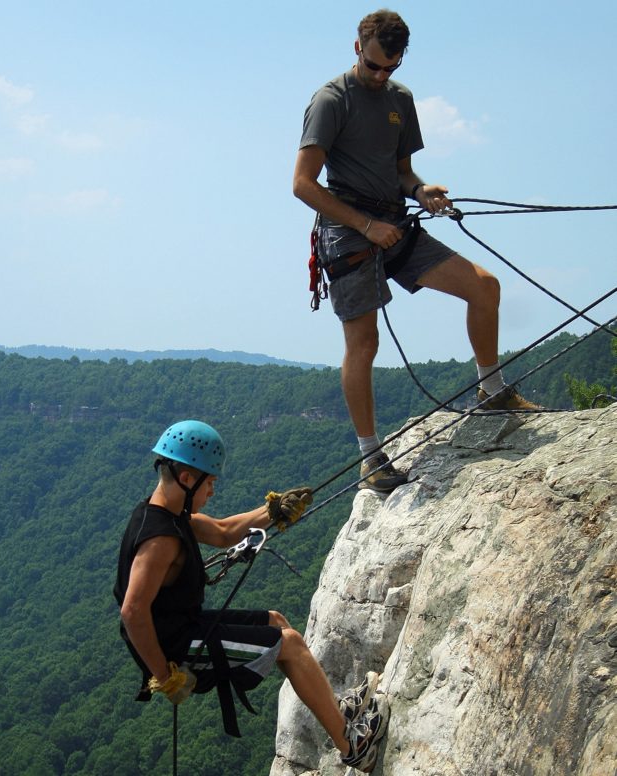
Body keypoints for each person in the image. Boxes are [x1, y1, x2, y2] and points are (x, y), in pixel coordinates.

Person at [293, 8, 542, 494]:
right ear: (357, 48)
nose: (382, 75)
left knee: (484, 286)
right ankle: (371, 459)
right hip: (348, 232)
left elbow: (402, 172)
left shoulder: (400, 100)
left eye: (392, 67)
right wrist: (366, 224)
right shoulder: (330, 100)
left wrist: (423, 192)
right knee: (364, 343)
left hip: (394, 222)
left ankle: (491, 392)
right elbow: (303, 184)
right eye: (374, 65)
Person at [113, 419, 388, 772]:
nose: (212, 490)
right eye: (209, 482)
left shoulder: (168, 514)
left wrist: (272, 511)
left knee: (275, 621)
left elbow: (225, 531)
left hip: (183, 626)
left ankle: (334, 711)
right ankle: (353, 746)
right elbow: (133, 611)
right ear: (186, 478)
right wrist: (166, 678)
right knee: (286, 643)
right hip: (176, 650)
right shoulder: (161, 538)